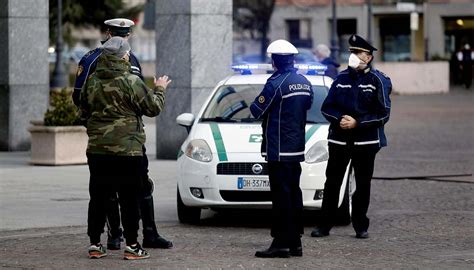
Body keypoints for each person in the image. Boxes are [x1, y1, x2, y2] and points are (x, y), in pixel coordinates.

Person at [73, 18, 173, 250]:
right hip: (126, 145)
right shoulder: (92, 60)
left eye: (126, 35)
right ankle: (120, 237)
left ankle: (144, 234)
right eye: (120, 35)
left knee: (130, 188)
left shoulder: (125, 61)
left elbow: (83, 106)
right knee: (120, 194)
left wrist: (99, 127)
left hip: (112, 143)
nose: (124, 40)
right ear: (108, 33)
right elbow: (149, 105)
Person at [311, 34, 392, 239]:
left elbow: (383, 113)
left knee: (363, 184)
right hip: (339, 140)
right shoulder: (340, 79)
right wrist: (340, 119)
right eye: (352, 52)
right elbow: (327, 107)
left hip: (366, 142)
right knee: (332, 183)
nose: (354, 56)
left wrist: (357, 123)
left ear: (368, 57)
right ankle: (324, 225)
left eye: (358, 52)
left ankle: (360, 225)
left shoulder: (378, 80)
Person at [250, 39, 314, 258]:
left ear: (274, 61)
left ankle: (280, 243)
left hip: (278, 149)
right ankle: (295, 242)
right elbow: (308, 105)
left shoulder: (276, 83)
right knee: (294, 195)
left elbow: (256, 109)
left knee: (280, 197)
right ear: (293, 59)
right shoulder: (304, 82)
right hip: (295, 149)